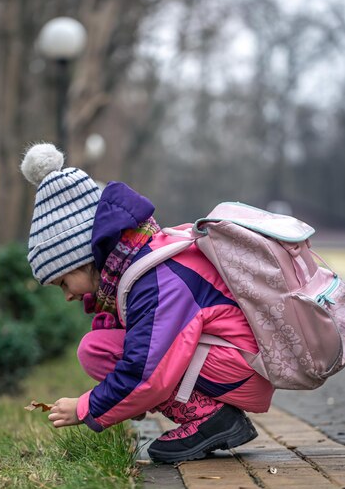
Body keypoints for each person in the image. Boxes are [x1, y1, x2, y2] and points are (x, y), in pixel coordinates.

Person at [21, 143, 274, 463]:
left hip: (243, 365)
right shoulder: (139, 261)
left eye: (62, 282)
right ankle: (207, 415)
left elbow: (146, 372)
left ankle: (211, 419)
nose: (68, 295)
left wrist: (86, 407)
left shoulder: (155, 279)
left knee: (127, 358)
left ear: (81, 259)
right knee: (96, 348)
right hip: (228, 358)